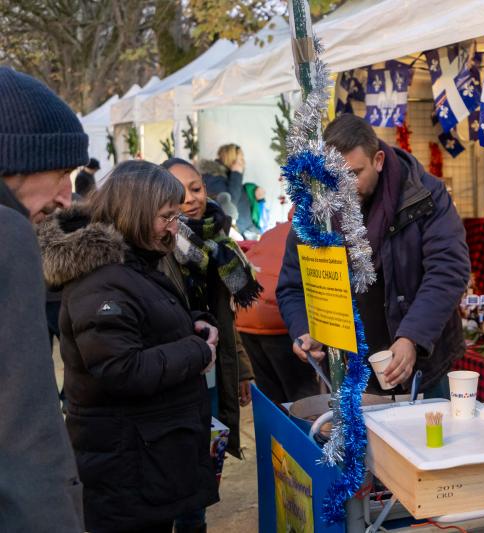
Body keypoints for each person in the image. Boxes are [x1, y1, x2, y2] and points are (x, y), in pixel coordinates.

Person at [37, 160, 220, 532]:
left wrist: (192, 322)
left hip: (145, 458)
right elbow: (122, 368)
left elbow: (141, 323)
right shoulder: (103, 278)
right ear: (135, 213)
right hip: (128, 466)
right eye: (166, 216)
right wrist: (198, 351)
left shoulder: (129, 264)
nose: (174, 226)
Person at [277, 114, 471, 397]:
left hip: (423, 365)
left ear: (378, 160)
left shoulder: (423, 195)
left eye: (354, 174)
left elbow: (449, 269)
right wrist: (304, 330)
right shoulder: (316, 210)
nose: (343, 187)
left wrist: (412, 337)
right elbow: (292, 286)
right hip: (350, 369)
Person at [0, 66, 85, 532]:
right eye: (62, 172)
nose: (67, 197)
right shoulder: (6, 233)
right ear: (17, 160)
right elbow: (24, 432)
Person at [160, 157, 260, 532]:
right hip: (172, 374)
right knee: (175, 464)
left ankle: (194, 523)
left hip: (213, 374)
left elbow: (227, 316)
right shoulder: (157, 245)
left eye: (196, 188)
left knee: (205, 461)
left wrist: (243, 371)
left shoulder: (220, 241)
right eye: (177, 192)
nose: (190, 199)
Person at [236, 214, 319, 404]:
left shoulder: (273, 231)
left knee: (272, 396)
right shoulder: (311, 230)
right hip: (278, 319)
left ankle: (278, 432)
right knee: (302, 396)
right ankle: (305, 431)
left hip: (245, 315)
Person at [199, 144, 265, 239]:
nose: (244, 163)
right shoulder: (212, 176)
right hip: (238, 236)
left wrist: (255, 193)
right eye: (241, 159)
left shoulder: (227, 175)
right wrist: (237, 173)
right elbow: (230, 204)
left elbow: (239, 195)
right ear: (231, 159)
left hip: (248, 231)